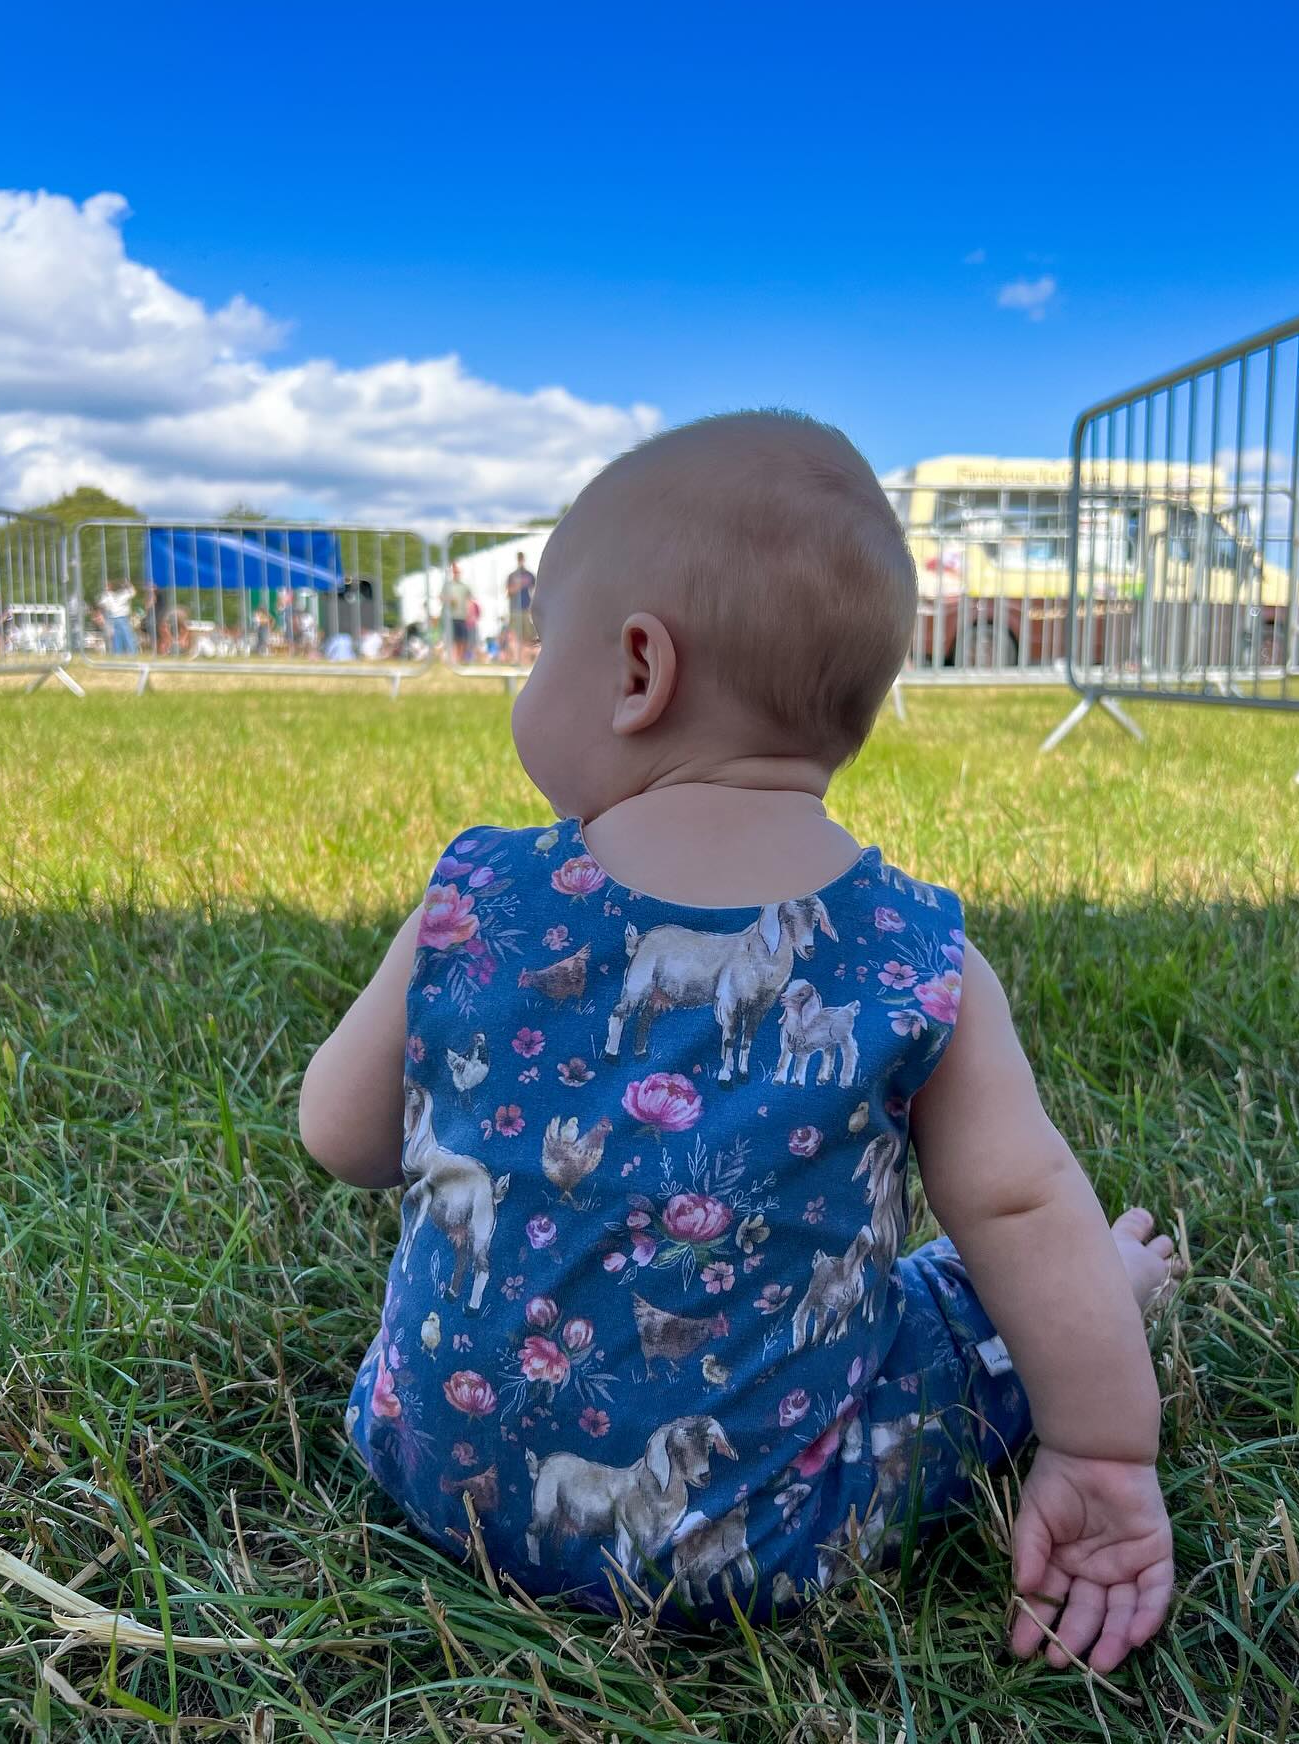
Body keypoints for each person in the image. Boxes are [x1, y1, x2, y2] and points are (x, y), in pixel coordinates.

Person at [300, 413, 1178, 1662]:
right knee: (969, 1298)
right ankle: (1116, 1290)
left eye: (539, 648)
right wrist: (1100, 1450)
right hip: (764, 1540)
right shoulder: (917, 957)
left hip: (433, 1470)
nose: (524, 680)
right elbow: (1026, 1209)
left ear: (638, 671)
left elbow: (339, 1137)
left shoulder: (477, 895)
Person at [504, 550, 536, 664]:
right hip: (515, 609)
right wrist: (516, 587)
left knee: (527, 635)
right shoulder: (512, 576)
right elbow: (508, 593)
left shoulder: (530, 575)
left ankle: (525, 658)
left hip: (527, 609)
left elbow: (535, 591)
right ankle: (517, 659)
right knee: (515, 634)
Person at [442, 562, 473, 663]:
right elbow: (441, 597)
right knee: (452, 639)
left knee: (462, 639)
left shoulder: (465, 586)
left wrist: (469, 613)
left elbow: (470, 599)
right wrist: (449, 599)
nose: (456, 573)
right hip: (451, 616)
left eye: (458, 572)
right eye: (454, 572)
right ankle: (453, 659)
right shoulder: (447, 585)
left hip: (462, 616)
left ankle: (460, 659)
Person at [98, 578, 137, 655]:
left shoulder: (107, 595)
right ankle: (132, 652)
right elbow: (133, 592)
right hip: (121, 618)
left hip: (114, 618)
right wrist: (129, 584)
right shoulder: (122, 594)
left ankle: (118, 653)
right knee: (127, 635)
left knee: (117, 636)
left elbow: (101, 604)